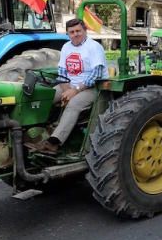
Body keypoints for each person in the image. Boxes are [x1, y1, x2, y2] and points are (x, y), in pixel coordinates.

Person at [28, 18, 107, 154]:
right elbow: (62, 72)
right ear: (67, 34)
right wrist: (66, 90)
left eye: (78, 31)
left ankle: (54, 142)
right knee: (45, 96)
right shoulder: (66, 47)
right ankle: (33, 132)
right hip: (70, 85)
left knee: (74, 104)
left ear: (85, 31)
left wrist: (74, 91)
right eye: (72, 32)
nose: (75, 34)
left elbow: (96, 75)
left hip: (92, 87)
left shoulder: (94, 47)